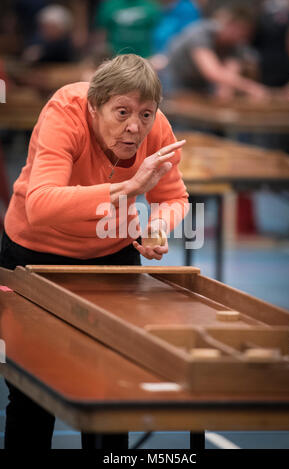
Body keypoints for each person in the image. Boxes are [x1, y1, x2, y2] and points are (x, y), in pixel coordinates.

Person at [0, 53, 188, 449]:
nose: (134, 126)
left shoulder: (156, 130)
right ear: (94, 106)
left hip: (110, 257)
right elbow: (41, 204)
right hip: (35, 254)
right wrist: (127, 188)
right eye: (121, 112)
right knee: (34, 391)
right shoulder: (64, 112)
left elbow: (174, 197)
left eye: (145, 114)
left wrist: (157, 225)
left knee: (109, 388)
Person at [165, 5, 270, 99]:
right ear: (230, 24)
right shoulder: (200, 33)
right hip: (174, 82)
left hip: (200, 86)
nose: (242, 37)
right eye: (241, 30)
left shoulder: (236, 46)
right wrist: (251, 87)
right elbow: (212, 72)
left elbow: (229, 77)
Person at [94, 0, 161, 58]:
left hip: (144, 57)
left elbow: (158, 33)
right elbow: (101, 33)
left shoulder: (150, 6)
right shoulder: (110, 6)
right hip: (115, 58)